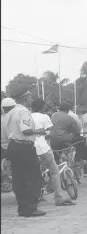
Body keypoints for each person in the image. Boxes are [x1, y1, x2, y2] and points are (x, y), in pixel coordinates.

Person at [5, 85, 46, 217]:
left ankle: (22, 207)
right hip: (24, 146)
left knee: (18, 178)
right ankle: (30, 208)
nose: (30, 98)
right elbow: (26, 130)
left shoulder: (10, 112)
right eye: (28, 95)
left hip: (13, 146)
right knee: (33, 177)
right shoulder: (23, 112)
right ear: (24, 97)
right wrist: (39, 131)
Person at [30, 99, 75, 206]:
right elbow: (50, 132)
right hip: (43, 148)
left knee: (33, 171)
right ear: (42, 107)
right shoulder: (44, 117)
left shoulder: (28, 116)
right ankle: (58, 198)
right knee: (54, 171)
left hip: (30, 147)